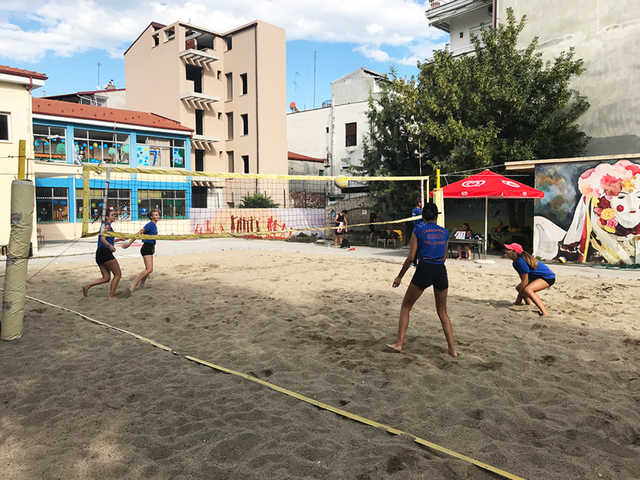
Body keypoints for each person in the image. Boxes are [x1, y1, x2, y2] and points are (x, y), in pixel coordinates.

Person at [387, 203, 458, 357]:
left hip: (424, 269)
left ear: (423, 216)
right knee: (442, 312)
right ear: (436, 216)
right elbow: (444, 258)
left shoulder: (418, 231)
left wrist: (400, 276)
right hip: (440, 270)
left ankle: (399, 344)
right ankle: (452, 350)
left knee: (406, 307)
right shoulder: (445, 232)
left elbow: (411, 257)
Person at [82, 210, 124, 299]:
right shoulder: (107, 226)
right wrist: (110, 246)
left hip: (100, 253)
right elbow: (102, 239)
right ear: (107, 217)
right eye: (112, 215)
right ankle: (111, 296)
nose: (114, 216)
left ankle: (87, 286)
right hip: (105, 252)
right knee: (118, 274)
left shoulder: (104, 226)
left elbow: (106, 239)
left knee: (106, 278)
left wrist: (118, 240)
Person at [504, 243, 555, 316]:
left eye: (508, 249)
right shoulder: (515, 263)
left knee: (528, 290)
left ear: (515, 252)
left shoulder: (521, 261)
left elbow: (525, 281)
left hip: (548, 277)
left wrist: (519, 297)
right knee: (519, 288)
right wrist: (520, 296)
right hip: (536, 277)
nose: (506, 250)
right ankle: (528, 305)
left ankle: (545, 312)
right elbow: (523, 280)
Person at [123, 210, 159, 292]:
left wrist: (153, 247)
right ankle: (134, 284)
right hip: (146, 247)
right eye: (156, 215)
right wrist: (129, 244)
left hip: (149, 247)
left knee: (148, 269)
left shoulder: (154, 225)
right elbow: (139, 233)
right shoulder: (150, 224)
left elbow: (152, 238)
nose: (158, 216)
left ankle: (142, 284)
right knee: (149, 269)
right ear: (151, 217)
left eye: (158, 215)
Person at [411, 200, 423, 266]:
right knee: (419, 246)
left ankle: (414, 261)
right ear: (419, 203)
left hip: (416, 228)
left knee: (416, 246)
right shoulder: (419, 211)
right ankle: (416, 261)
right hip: (420, 228)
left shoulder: (414, 210)